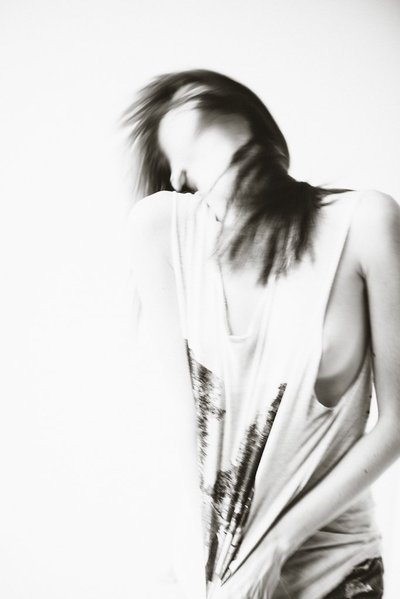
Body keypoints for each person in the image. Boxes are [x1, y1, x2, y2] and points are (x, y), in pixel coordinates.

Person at [122, 69, 400, 599]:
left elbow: (398, 423)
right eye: (195, 126)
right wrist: (207, 566)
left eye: (224, 112)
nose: (217, 130)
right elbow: (190, 417)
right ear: (179, 172)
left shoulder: (365, 220)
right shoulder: (162, 230)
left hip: (336, 569)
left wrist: (274, 548)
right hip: (213, 568)